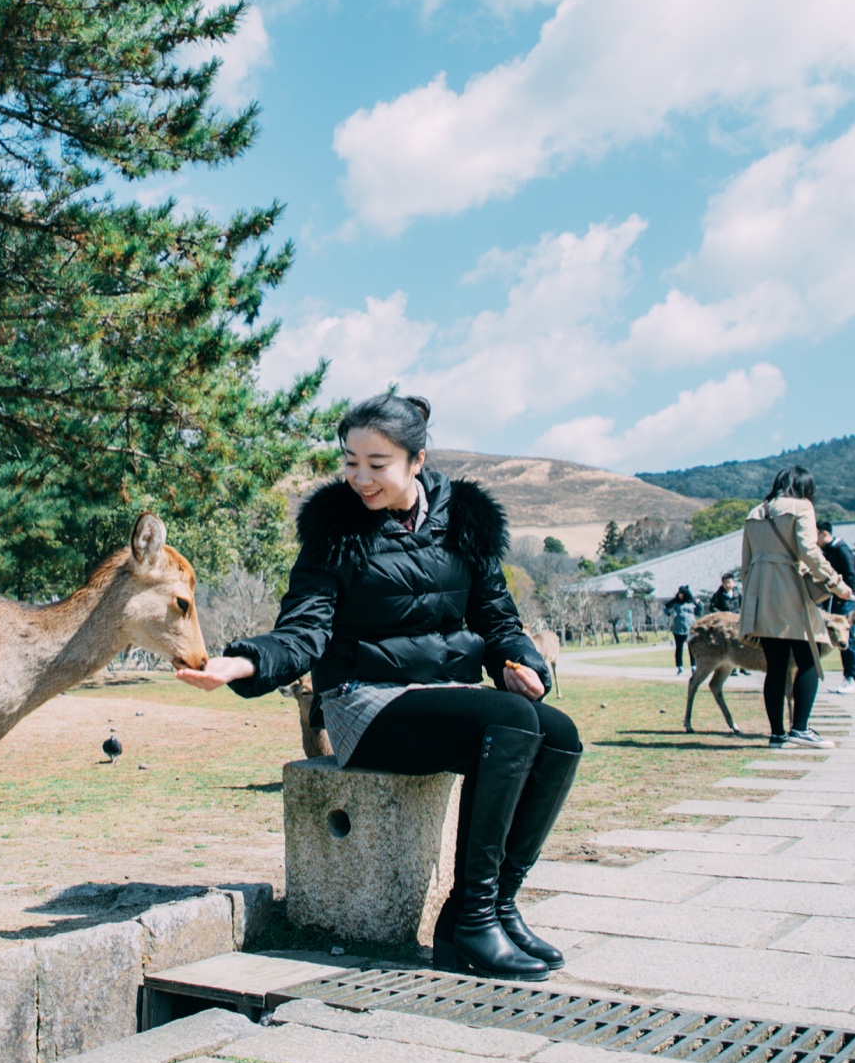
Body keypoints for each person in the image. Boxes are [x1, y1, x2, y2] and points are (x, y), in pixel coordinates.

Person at [177, 393, 574, 980]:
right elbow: (304, 630)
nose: (359, 478)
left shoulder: (465, 518)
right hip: (366, 703)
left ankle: (494, 908)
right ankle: (471, 925)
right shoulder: (335, 530)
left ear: (416, 461)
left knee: (559, 734)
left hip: (449, 696)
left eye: (376, 463)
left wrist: (521, 662)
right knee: (509, 722)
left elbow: (497, 618)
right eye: (350, 461)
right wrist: (244, 663)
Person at [739, 467, 852, 750]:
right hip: (789, 590)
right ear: (805, 487)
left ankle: (777, 734)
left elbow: (745, 562)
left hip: (759, 590)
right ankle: (800, 728)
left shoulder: (755, 512)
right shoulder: (802, 507)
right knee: (809, 658)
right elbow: (808, 550)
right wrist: (836, 582)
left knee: (776, 666)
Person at [817, 521, 855, 693]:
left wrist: (843, 591)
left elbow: (851, 573)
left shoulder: (841, 548)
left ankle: (853, 679)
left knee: (847, 638)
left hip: (846, 601)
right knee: (839, 639)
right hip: (835, 601)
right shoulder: (828, 551)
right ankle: (848, 678)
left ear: (823, 534)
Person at [665, 586, 698, 673]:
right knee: (679, 648)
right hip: (678, 628)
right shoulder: (675, 601)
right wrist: (670, 614)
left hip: (690, 628)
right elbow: (665, 607)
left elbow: (698, 611)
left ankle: (693, 666)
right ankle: (680, 666)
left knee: (692, 648)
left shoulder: (691, 601)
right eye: (679, 593)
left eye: (682, 594)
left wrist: (700, 604)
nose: (680, 595)